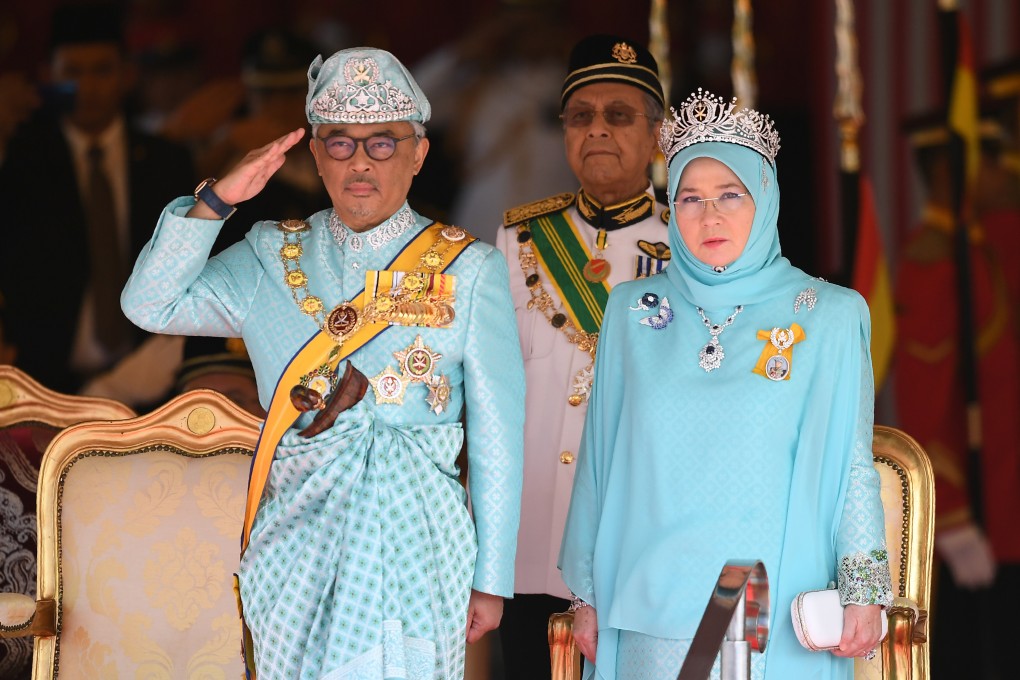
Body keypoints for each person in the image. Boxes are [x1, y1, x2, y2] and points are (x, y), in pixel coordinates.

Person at [120, 46, 524, 680]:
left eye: (383, 143)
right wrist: (216, 201)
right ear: (315, 153)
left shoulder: (468, 268)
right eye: (339, 142)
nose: (360, 162)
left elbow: (499, 437)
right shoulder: (268, 255)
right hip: (295, 550)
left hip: (420, 552)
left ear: (419, 153)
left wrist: (493, 578)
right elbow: (148, 304)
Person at [559, 89, 893, 679]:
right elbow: (599, 459)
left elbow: (851, 465)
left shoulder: (827, 315)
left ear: (764, 200)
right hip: (650, 592)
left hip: (756, 588)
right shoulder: (635, 311)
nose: (709, 216)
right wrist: (585, 593)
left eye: (730, 196)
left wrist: (863, 587)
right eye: (689, 198)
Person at [493, 33, 670, 679]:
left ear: (657, 134)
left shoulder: (693, 241)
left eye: (619, 116)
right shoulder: (519, 237)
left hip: (640, 528)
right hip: (536, 531)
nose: (597, 130)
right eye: (581, 117)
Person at [0, 3, 194, 396]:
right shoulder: (18, 163)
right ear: (48, 77)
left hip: (148, 378)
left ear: (127, 74)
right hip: (38, 378)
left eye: (102, 70)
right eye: (72, 72)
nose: (87, 88)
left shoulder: (166, 161)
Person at [893, 108, 1020, 680]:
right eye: (992, 158)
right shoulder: (933, 263)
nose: (1004, 171)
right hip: (981, 515)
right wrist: (954, 516)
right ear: (952, 173)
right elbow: (923, 398)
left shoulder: (976, 249)